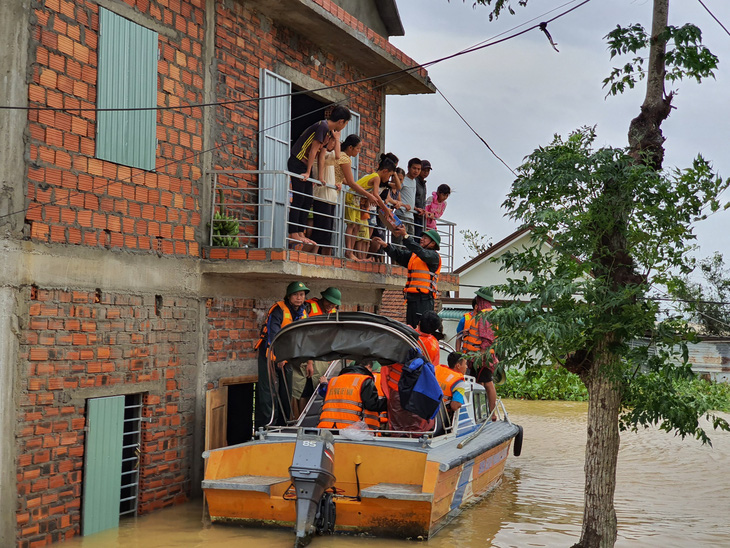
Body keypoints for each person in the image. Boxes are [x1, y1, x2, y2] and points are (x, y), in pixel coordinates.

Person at [288, 106, 351, 245]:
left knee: (307, 199)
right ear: (341, 121)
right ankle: (293, 232)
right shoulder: (322, 126)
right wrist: (308, 172)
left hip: (304, 165)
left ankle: (300, 232)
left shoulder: (328, 132)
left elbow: (328, 156)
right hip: (297, 162)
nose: (344, 126)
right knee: (299, 198)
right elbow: (313, 151)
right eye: (346, 123)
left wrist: (319, 176)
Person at [254, 281, 311, 430]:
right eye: (296, 295)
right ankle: (268, 425)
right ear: (289, 296)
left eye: (302, 295)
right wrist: (278, 357)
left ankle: (283, 424)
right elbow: (273, 335)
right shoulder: (278, 310)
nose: (299, 298)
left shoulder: (303, 312)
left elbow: (304, 336)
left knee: (286, 391)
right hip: (270, 354)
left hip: (288, 356)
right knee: (269, 391)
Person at [372, 226, 442, 328]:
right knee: (410, 327)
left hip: (424, 300)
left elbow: (421, 252)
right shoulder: (414, 256)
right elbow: (399, 255)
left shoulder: (433, 257)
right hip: (412, 298)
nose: (422, 239)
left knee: (422, 328)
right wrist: (386, 246)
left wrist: (405, 236)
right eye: (422, 237)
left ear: (432, 243)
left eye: (425, 238)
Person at [344, 155, 394, 261]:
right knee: (351, 225)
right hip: (352, 197)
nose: (388, 179)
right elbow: (376, 194)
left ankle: (351, 252)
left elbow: (373, 195)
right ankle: (348, 251)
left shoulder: (375, 177)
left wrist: (382, 206)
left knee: (356, 226)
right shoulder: (376, 177)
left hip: (357, 200)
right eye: (389, 175)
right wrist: (385, 208)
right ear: (385, 171)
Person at [461, 286, 499, 420]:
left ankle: (491, 413)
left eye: (478, 297)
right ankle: (482, 413)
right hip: (478, 357)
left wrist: (480, 358)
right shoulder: (487, 314)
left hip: (482, 358)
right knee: (480, 384)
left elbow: (487, 339)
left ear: (482, 300)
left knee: (487, 383)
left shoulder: (485, 316)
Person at [317, 361, 386, 431]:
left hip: (326, 428)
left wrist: (324, 384)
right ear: (368, 367)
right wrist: (390, 402)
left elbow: (326, 396)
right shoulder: (365, 380)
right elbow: (371, 405)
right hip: (350, 430)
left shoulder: (334, 380)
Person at [310, 132, 340, 254]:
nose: (333, 143)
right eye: (332, 141)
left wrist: (337, 183)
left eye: (334, 141)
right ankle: (306, 255)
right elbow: (338, 155)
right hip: (322, 197)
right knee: (319, 233)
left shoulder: (327, 155)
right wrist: (337, 138)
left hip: (330, 198)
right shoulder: (322, 154)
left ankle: (321, 258)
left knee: (326, 234)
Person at [397, 158, 421, 237]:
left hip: (411, 216)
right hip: (401, 214)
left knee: (409, 243)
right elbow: (395, 194)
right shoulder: (403, 179)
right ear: (408, 168)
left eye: (418, 169)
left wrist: (415, 208)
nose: (416, 171)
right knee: (398, 243)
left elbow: (409, 197)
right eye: (414, 168)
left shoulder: (414, 181)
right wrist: (403, 205)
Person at [413, 159, 431, 237]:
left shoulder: (423, 184)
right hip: (414, 214)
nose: (426, 172)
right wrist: (416, 208)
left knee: (419, 239)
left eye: (428, 171)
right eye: (424, 170)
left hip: (421, 216)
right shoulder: (414, 181)